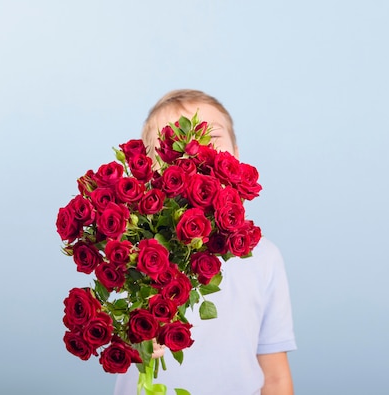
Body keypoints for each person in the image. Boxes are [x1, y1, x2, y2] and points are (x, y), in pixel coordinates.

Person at [113, 89, 296, 395]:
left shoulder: (265, 257)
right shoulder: (130, 250)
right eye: (171, 141)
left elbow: (275, 376)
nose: (193, 148)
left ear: (235, 156)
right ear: (146, 166)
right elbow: (113, 329)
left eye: (211, 136)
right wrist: (136, 340)